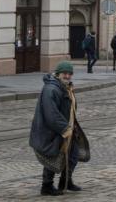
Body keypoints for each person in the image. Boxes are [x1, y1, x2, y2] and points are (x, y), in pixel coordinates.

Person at [30, 61, 88, 196]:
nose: (67, 76)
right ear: (58, 74)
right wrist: (64, 128)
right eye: (65, 73)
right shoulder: (52, 89)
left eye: (70, 74)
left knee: (72, 155)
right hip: (53, 129)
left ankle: (65, 181)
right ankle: (46, 186)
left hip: (67, 127)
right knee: (53, 156)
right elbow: (51, 113)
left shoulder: (64, 87)